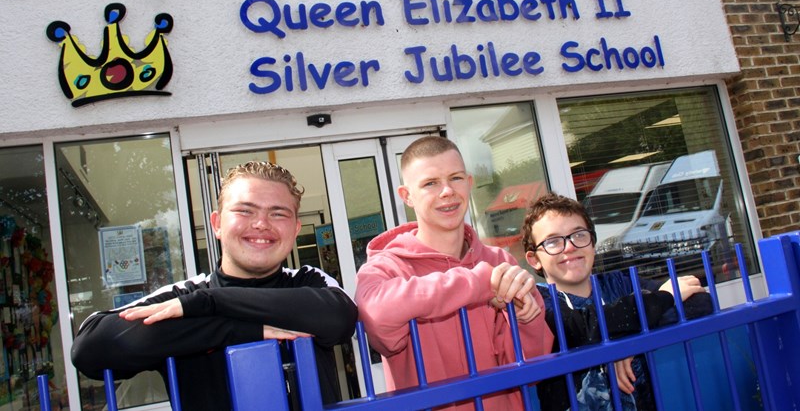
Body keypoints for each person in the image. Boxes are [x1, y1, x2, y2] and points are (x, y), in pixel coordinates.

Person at [72, 161, 358, 410]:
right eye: (245, 210)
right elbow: (89, 348)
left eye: (278, 213)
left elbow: (339, 319)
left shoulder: (309, 281)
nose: (261, 224)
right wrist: (231, 330)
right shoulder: (181, 295)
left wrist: (208, 303)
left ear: (295, 229)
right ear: (217, 224)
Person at [355, 135, 554, 410]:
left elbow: (530, 366)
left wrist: (526, 320)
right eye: (430, 183)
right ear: (407, 196)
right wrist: (478, 282)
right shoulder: (387, 267)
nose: (447, 191)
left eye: (456, 178)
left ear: (469, 183)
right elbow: (376, 317)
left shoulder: (499, 261)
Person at [521, 191, 712, 411]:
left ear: (592, 243)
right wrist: (656, 305)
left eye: (579, 235)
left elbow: (700, 302)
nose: (570, 246)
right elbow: (582, 328)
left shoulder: (619, 284)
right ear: (534, 259)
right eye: (553, 241)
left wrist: (630, 339)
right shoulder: (537, 303)